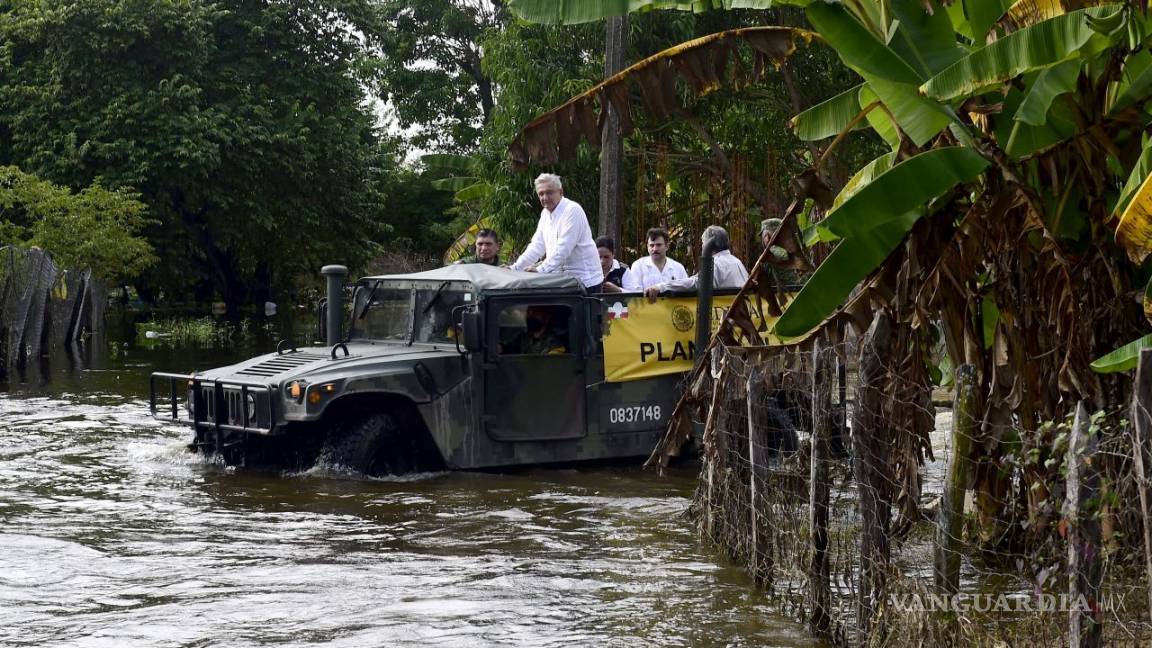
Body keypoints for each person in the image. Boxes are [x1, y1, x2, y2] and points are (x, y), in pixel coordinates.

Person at [510, 174, 603, 293]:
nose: (545, 197)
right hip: (562, 282)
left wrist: (540, 270)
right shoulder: (545, 213)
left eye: (549, 192)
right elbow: (537, 246)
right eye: (541, 194)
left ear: (561, 192)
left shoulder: (572, 210)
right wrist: (515, 268)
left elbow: (563, 249)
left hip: (585, 282)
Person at [645, 225, 749, 301]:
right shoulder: (737, 262)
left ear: (709, 244)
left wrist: (661, 287)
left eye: (703, 243)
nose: (702, 246)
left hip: (727, 321)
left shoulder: (716, 264)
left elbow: (695, 283)